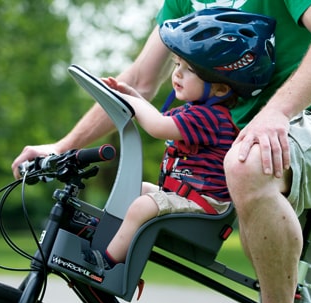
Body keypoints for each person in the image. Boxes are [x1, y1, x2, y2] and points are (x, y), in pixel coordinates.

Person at [12, 2, 311, 303]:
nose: (179, 72)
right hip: (262, 155)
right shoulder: (183, 2)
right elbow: (138, 83)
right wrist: (62, 148)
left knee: (247, 163)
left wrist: (276, 111)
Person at [82, 9, 276, 269]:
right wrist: (131, 94)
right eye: (176, 65)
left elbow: (157, 127)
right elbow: (157, 119)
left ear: (220, 88)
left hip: (204, 205)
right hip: (186, 195)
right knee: (136, 189)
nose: (177, 74)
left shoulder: (210, 118)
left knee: (142, 206)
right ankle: (103, 230)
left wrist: (129, 101)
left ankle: (105, 262)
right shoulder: (194, 112)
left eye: (189, 69)